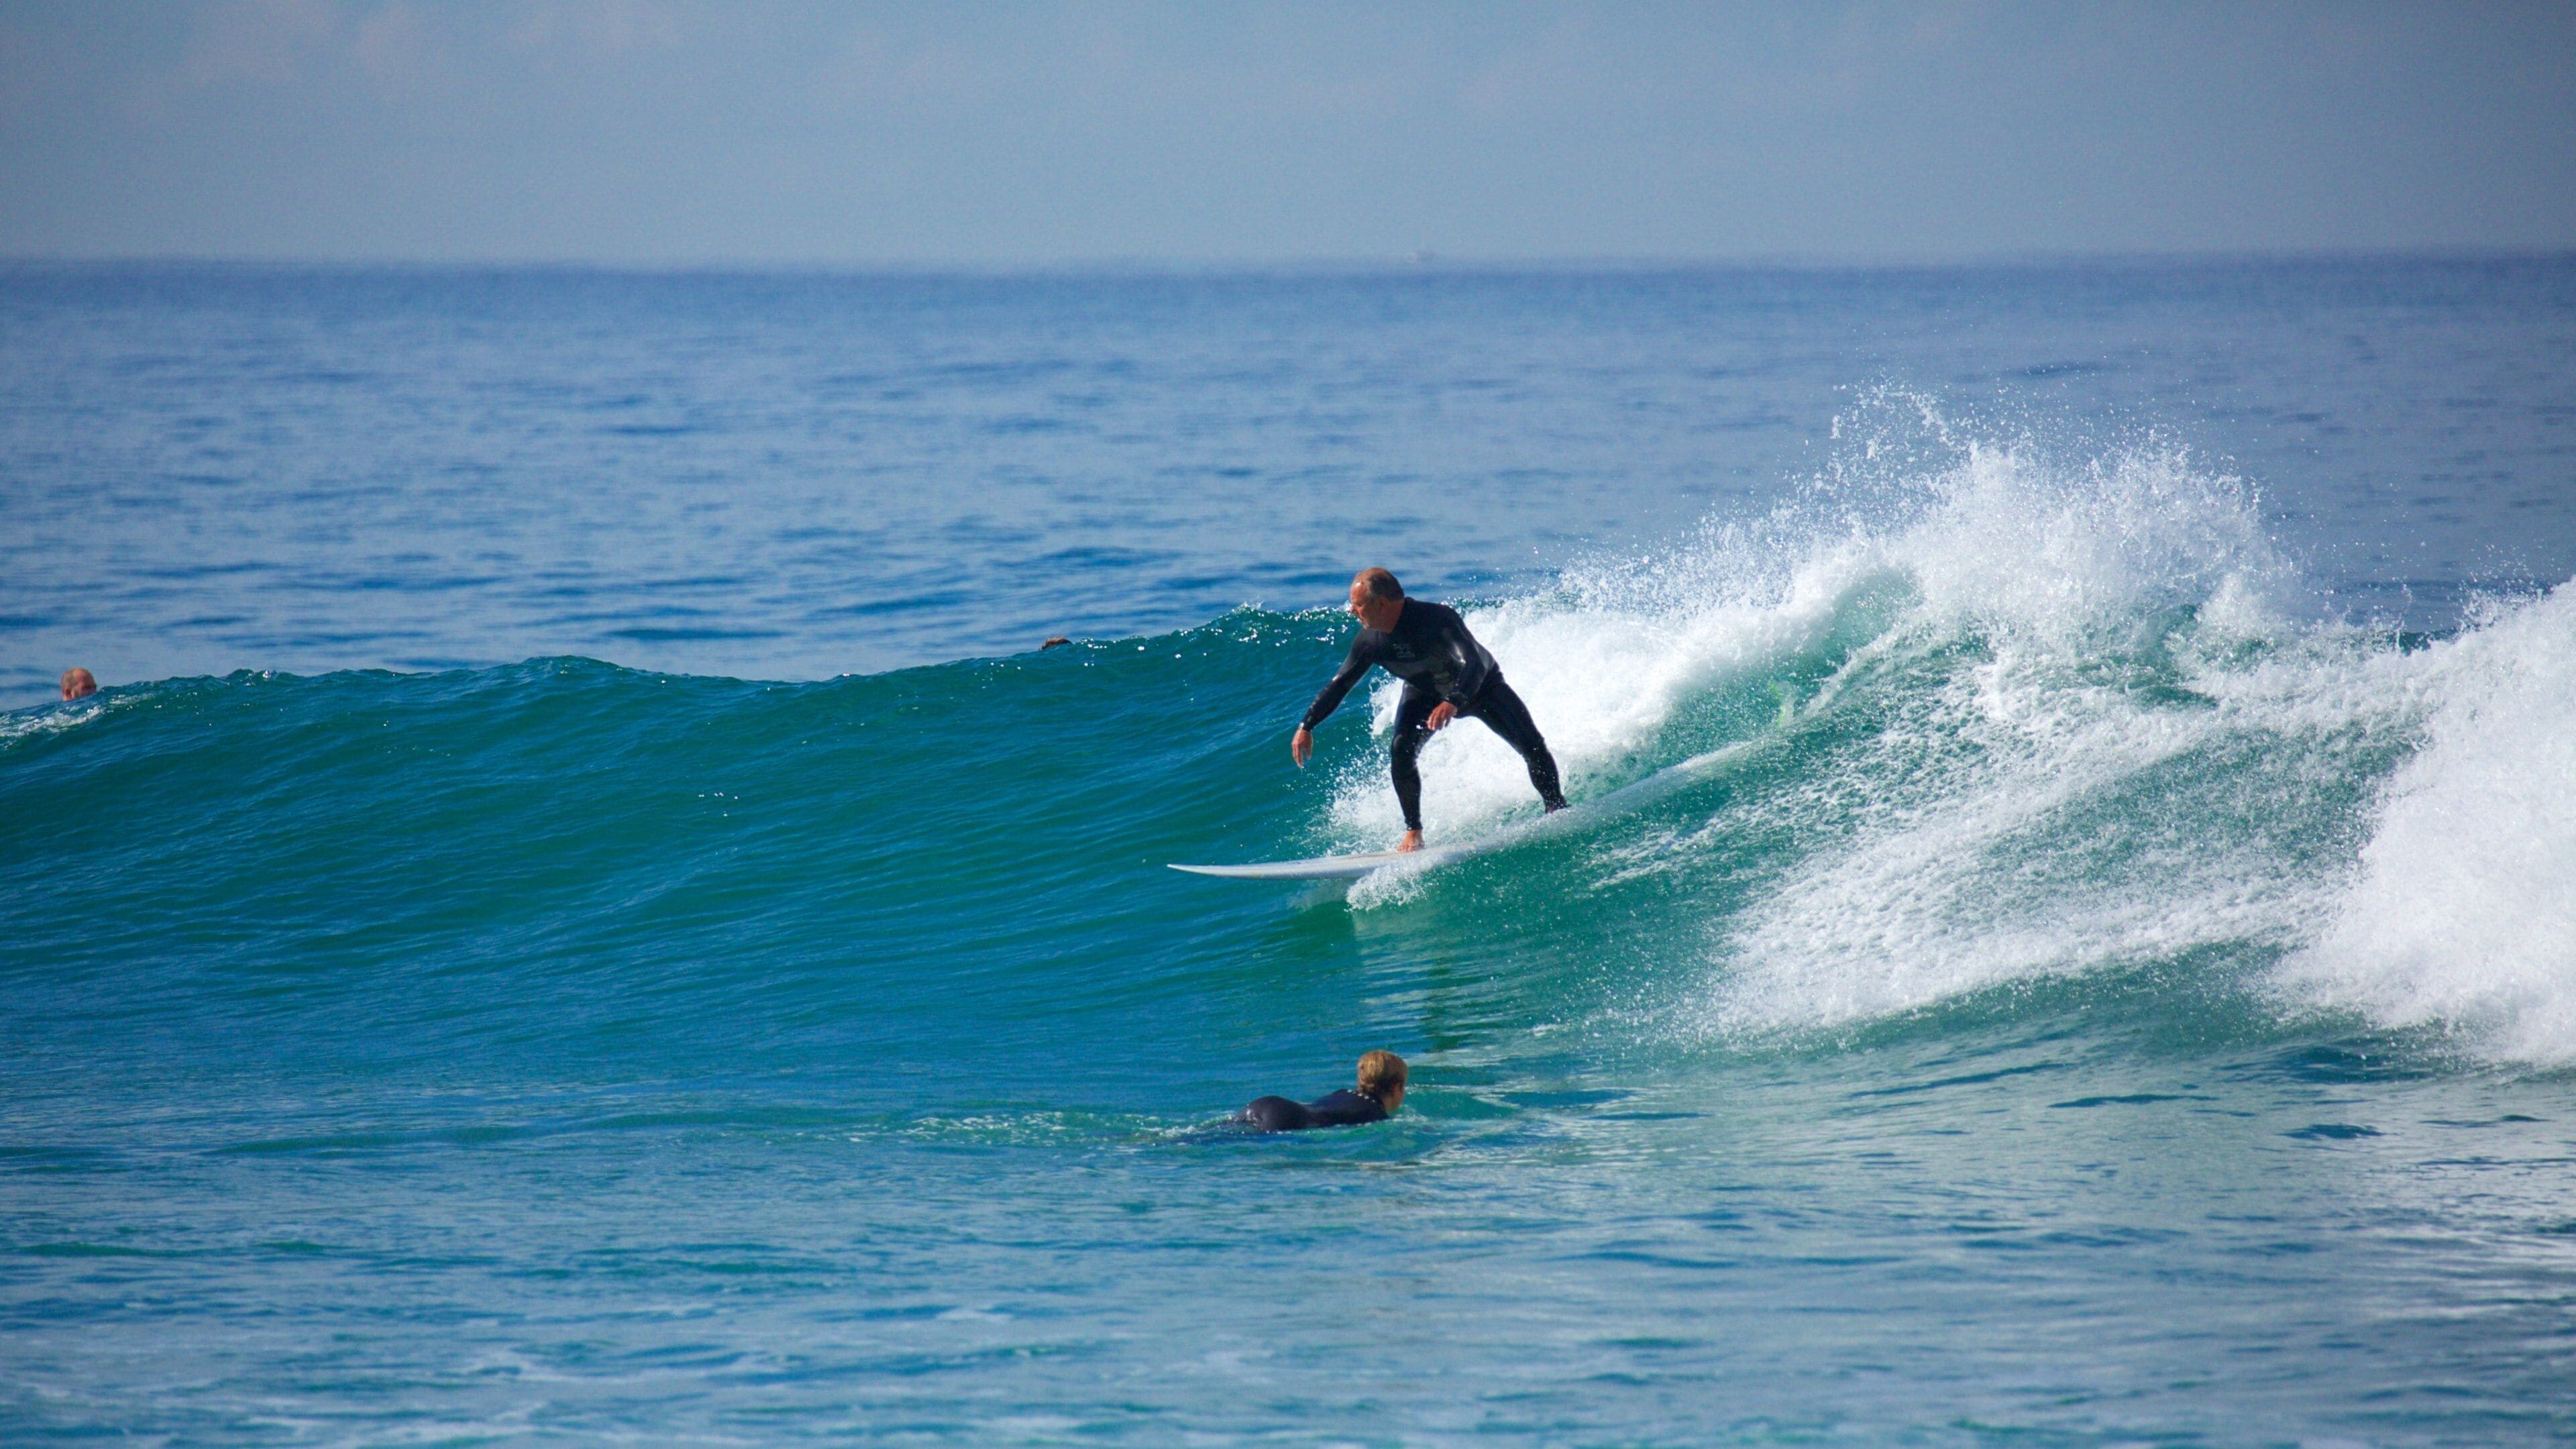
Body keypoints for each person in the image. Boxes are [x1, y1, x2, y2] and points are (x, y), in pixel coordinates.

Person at [1291, 568, 1566, 851]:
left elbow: (1474, 663)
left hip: (1481, 688)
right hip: (1425, 692)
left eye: (1358, 604)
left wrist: (1454, 700)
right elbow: (1340, 684)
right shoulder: (1369, 641)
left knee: (1531, 745)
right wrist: (1307, 725)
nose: (1352, 611)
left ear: (1381, 603)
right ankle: (1414, 831)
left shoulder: (1437, 619)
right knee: (1401, 749)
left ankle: (1556, 808)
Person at [1239, 1050, 1408, 1132]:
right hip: (1286, 1119)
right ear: (1396, 1088)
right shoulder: (1376, 1115)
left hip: (1267, 1104)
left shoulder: (1343, 1093)